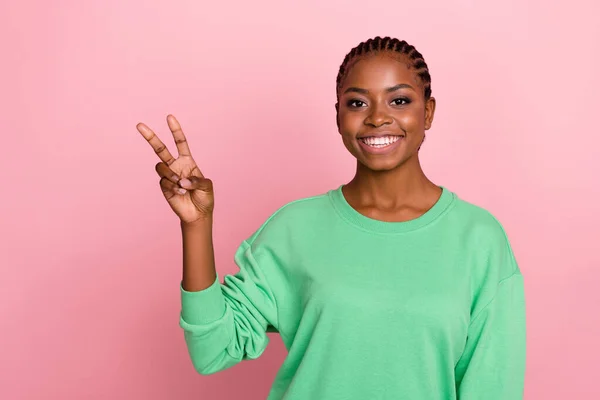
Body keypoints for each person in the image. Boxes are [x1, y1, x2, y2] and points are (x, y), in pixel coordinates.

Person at [136, 36, 526, 400]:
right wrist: (196, 225)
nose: (376, 118)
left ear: (428, 112)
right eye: (357, 103)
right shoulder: (294, 228)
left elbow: (492, 386)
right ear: (338, 116)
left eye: (399, 101)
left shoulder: (479, 239)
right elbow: (212, 350)